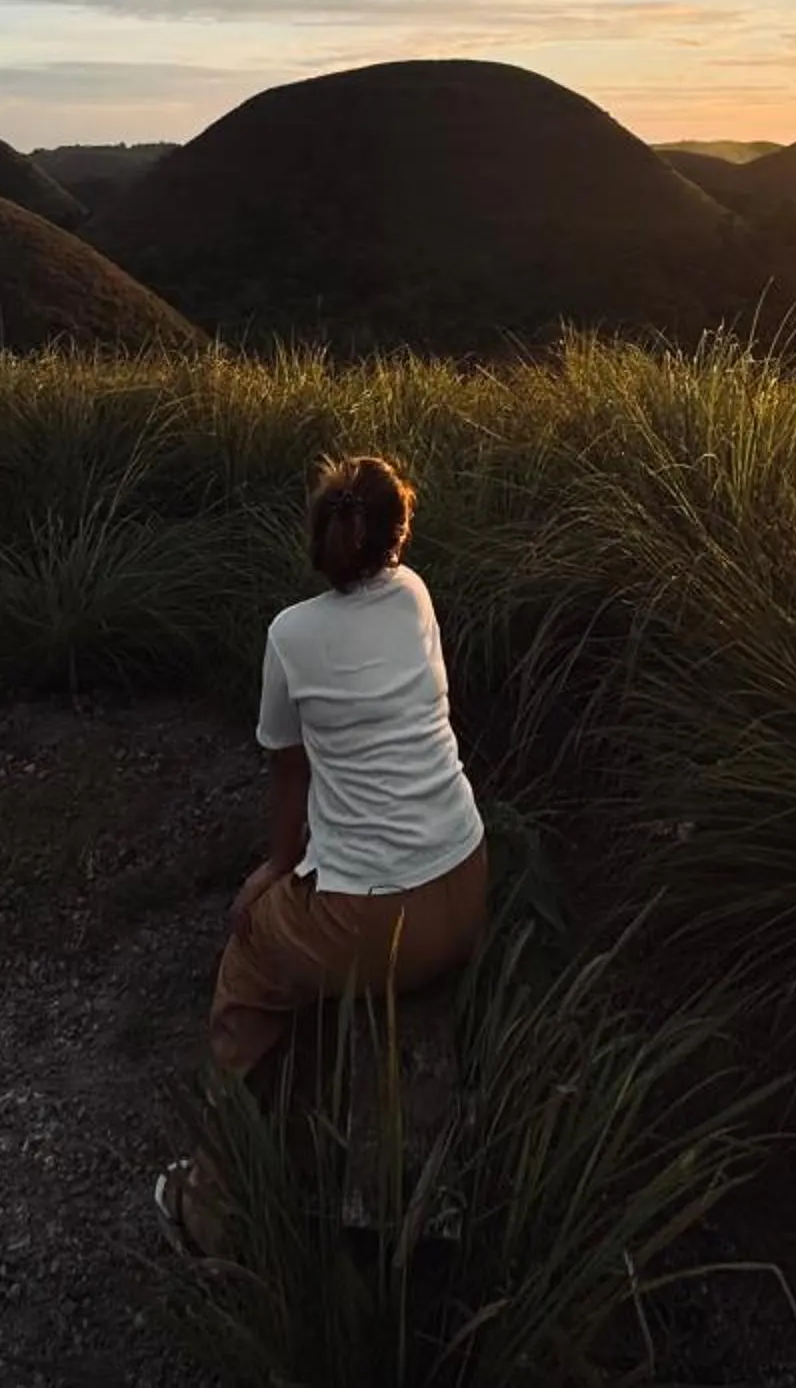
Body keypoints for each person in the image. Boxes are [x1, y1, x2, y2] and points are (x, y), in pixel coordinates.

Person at [155, 454, 488, 1252]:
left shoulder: (290, 634)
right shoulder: (416, 595)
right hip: (468, 874)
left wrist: (273, 875)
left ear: (323, 536)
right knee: (303, 942)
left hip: (377, 922)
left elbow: (288, 772)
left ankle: (212, 1212)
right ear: (396, 536)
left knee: (248, 964)